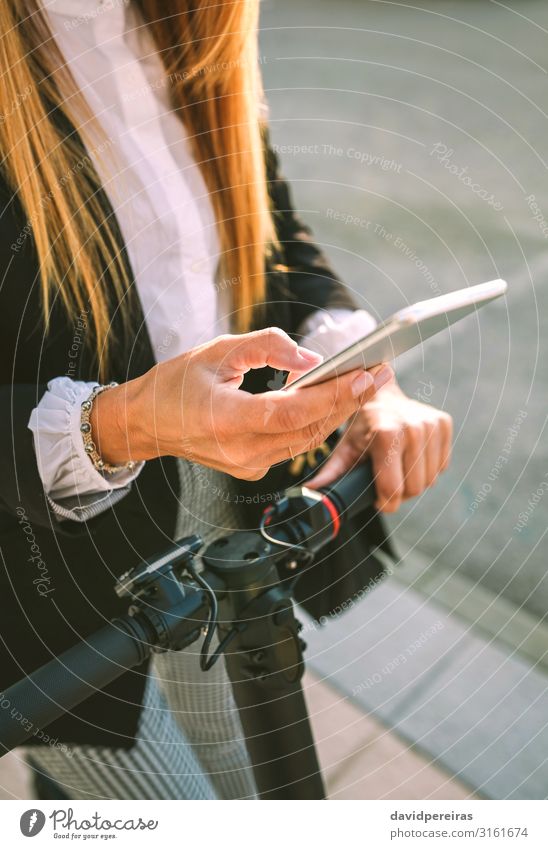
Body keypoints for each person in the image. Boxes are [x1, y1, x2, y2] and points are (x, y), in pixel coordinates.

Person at [0, 0, 452, 799]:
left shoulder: (187, 22)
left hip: (205, 511)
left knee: (252, 787)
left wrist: (361, 374)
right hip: (39, 594)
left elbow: (269, 225)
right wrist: (128, 420)